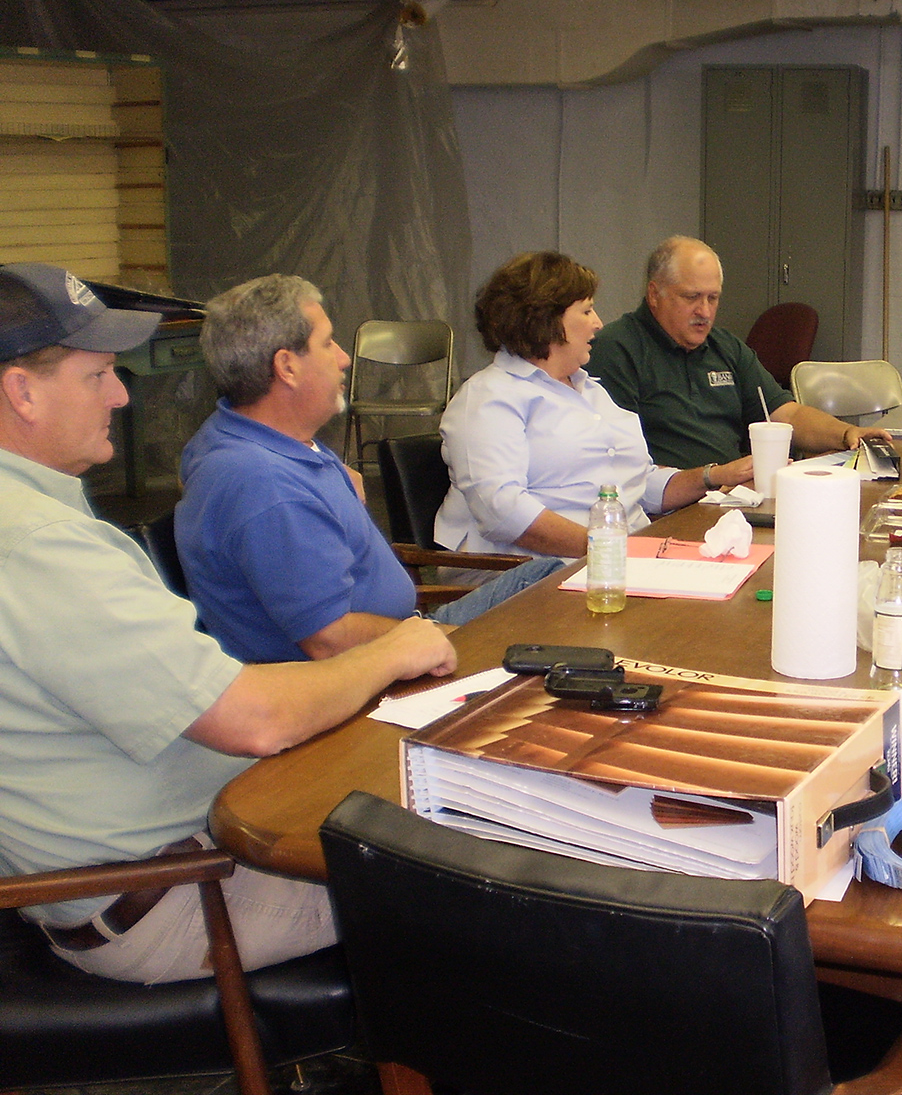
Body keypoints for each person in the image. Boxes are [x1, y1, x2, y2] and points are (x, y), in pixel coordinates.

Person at [0, 262, 456, 984]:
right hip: (177, 892)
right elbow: (251, 722)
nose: (121, 395)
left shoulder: (34, 512)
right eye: (97, 376)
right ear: (21, 391)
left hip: (180, 850)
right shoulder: (34, 544)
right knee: (492, 888)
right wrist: (396, 650)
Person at [175, 275, 563, 664]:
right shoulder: (265, 485)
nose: (343, 357)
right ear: (287, 367)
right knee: (558, 628)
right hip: (374, 670)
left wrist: (330, 473)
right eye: (327, 343)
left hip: (402, 630)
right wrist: (459, 640)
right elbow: (330, 639)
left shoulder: (238, 435)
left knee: (550, 577)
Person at [435, 251, 747, 561]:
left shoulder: (589, 390)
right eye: (586, 312)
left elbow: (638, 482)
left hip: (612, 557)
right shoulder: (488, 397)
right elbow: (503, 512)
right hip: (531, 571)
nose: (598, 324)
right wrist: (610, 549)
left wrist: (718, 476)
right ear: (546, 319)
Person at [585, 236, 893, 470]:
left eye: (713, 298)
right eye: (692, 297)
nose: (704, 311)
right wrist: (714, 479)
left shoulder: (725, 347)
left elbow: (786, 414)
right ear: (655, 294)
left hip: (732, 499)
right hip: (667, 508)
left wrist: (847, 433)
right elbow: (619, 465)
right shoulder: (617, 349)